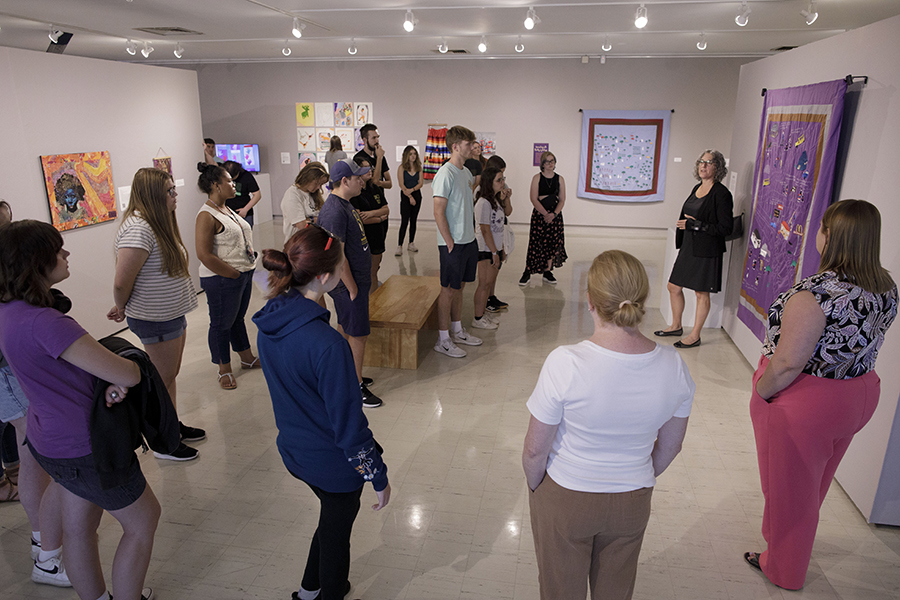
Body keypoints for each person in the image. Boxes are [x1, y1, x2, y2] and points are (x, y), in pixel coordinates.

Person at [0, 220, 159, 600]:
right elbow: (128, 373)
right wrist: (124, 374)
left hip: (47, 440)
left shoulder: (9, 311)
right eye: (57, 250)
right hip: (84, 443)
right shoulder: (49, 324)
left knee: (79, 528)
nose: (67, 254)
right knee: (142, 521)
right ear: (36, 262)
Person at [523, 250, 695, 600]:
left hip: (567, 494)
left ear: (590, 302)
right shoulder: (673, 365)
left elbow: (534, 449)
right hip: (632, 498)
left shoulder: (566, 362)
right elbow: (671, 446)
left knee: (560, 590)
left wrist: (538, 489)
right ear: (643, 300)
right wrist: (634, 476)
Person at [744, 199, 897, 590]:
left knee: (789, 492)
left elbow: (787, 363)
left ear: (829, 236)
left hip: (807, 403)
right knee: (811, 484)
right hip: (856, 395)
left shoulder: (815, 294)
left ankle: (784, 568)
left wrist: (760, 393)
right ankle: (783, 543)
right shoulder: (884, 284)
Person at [253, 225, 389, 600]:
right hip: (331, 462)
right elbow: (349, 430)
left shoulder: (270, 324)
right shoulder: (329, 346)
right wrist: (377, 473)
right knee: (336, 533)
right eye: (343, 264)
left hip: (295, 450)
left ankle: (308, 590)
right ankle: (328, 591)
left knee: (330, 520)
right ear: (326, 277)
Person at [108, 167, 203, 462]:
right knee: (161, 380)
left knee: (169, 376)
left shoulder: (153, 224)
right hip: (156, 316)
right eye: (170, 191)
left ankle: (171, 425)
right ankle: (164, 442)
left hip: (170, 313)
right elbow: (123, 280)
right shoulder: (138, 229)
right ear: (153, 194)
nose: (175, 196)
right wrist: (121, 305)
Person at [0, 200, 69, 587]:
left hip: (10, 368)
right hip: (6, 372)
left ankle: (44, 539)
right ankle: (47, 551)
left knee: (34, 456)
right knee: (35, 456)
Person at [316, 159, 382, 409]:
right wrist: (352, 287)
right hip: (348, 285)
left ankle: (349, 375)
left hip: (357, 281)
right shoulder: (334, 210)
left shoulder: (345, 204)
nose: (362, 180)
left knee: (347, 328)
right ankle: (355, 387)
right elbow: (336, 254)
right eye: (358, 178)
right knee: (358, 334)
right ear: (344, 181)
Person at [655, 150, 733, 348]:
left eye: (708, 162)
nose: (703, 166)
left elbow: (726, 228)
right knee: (673, 287)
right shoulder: (697, 187)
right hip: (689, 247)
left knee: (701, 293)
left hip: (707, 249)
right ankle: (676, 325)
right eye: (701, 162)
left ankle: (695, 335)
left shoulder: (721, 194)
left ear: (718, 167)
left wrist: (696, 225)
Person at [195, 163, 260, 391]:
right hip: (222, 279)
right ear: (216, 185)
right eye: (229, 182)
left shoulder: (227, 208)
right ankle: (224, 369)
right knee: (222, 324)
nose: (234, 185)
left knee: (237, 319)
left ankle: (246, 357)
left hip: (241, 274)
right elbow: (203, 254)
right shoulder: (206, 214)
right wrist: (232, 273)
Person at [432, 125, 483, 358]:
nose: (471, 146)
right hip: (453, 243)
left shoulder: (465, 173)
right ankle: (443, 339)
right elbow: (438, 211)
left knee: (460, 287)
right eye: (467, 143)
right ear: (455, 146)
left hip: (468, 240)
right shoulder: (445, 173)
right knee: (448, 290)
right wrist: (449, 241)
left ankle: (457, 329)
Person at [520, 151, 567, 286]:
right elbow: (533, 199)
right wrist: (545, 214)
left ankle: (547, 271)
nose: (550, 164)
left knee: (552, 243)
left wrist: (554, 214)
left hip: (555, 217)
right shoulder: (537, 178)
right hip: (540, 217)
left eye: (552, 161)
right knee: (536, 243)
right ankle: (528, 271)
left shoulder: (560, 179)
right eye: (547, 161)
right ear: (542, 164)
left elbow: (562, 200)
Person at [471, 166, 507, 331]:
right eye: (499, 180)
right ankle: (477, 318)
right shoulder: (483, 202)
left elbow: (498, 227)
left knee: (489, 283)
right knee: (484, 284)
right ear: (489, 182)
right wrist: (493, 252)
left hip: (494, 248)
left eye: (503, 179)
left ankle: (482, 313)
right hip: (485, 249)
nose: (502, 182)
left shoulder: (495, 201)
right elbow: (485, 230)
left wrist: (501, 249)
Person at [350, 157, 389, 287]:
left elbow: (386, 209)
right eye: (365, 168)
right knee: (366, 273)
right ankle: (369, 303)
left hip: (378, 235)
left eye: (370, 167)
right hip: (364, 238)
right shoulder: (355, 192)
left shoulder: (375, 188)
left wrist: (371, 214)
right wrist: (379, 218)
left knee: (375, 270)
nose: (370, 171)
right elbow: (359, 219)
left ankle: (373, 300)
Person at [484, 155, 513, 313]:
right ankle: (485, 300)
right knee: (489, 268)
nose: (503, 181)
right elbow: (483, 223)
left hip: (500, 231)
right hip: (490, 235)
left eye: (503, 176)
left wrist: (506, 199)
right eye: (500, 176)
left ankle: (491, 296)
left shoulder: (503, 187)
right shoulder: (483, 193)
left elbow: (507, 211)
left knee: (497, 266)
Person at [281, 161, 329, 239]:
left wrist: (310, 219)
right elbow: (302, 225)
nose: (318, 188)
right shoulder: (293, 194)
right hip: (298, 244)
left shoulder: (314, 193)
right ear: (308, 178)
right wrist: (319, 219)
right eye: (316, 183)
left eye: (321, 184)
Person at [395, 145, 424, 256]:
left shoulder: (419, 167)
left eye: (414, 154)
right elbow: (401, 185)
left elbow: (420, 183)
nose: (413, 156)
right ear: (406, 155)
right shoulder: (401, 168)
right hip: (405, 195)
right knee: (404, 221)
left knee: (414, 220)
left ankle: (411, 243)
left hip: (416, 194)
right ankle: (399, 245)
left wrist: (412, 191)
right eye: (411, 154)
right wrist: (410, 196)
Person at [354, 123, 392, 193]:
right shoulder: (359, 158)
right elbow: (373, 182)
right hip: (367, 198)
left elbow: (389, 183)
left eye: (378, 137)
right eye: (374, 138)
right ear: (365, 140)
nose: (377, 140)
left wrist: (379, 183)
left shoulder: (380, 156)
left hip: (380, 198)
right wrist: (379, 158)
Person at [223, 160, 262, 228]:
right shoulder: (223, 175)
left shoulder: (246, 176)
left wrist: (245, 210)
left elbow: (257, 195)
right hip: (227, 212)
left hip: (244, 213)